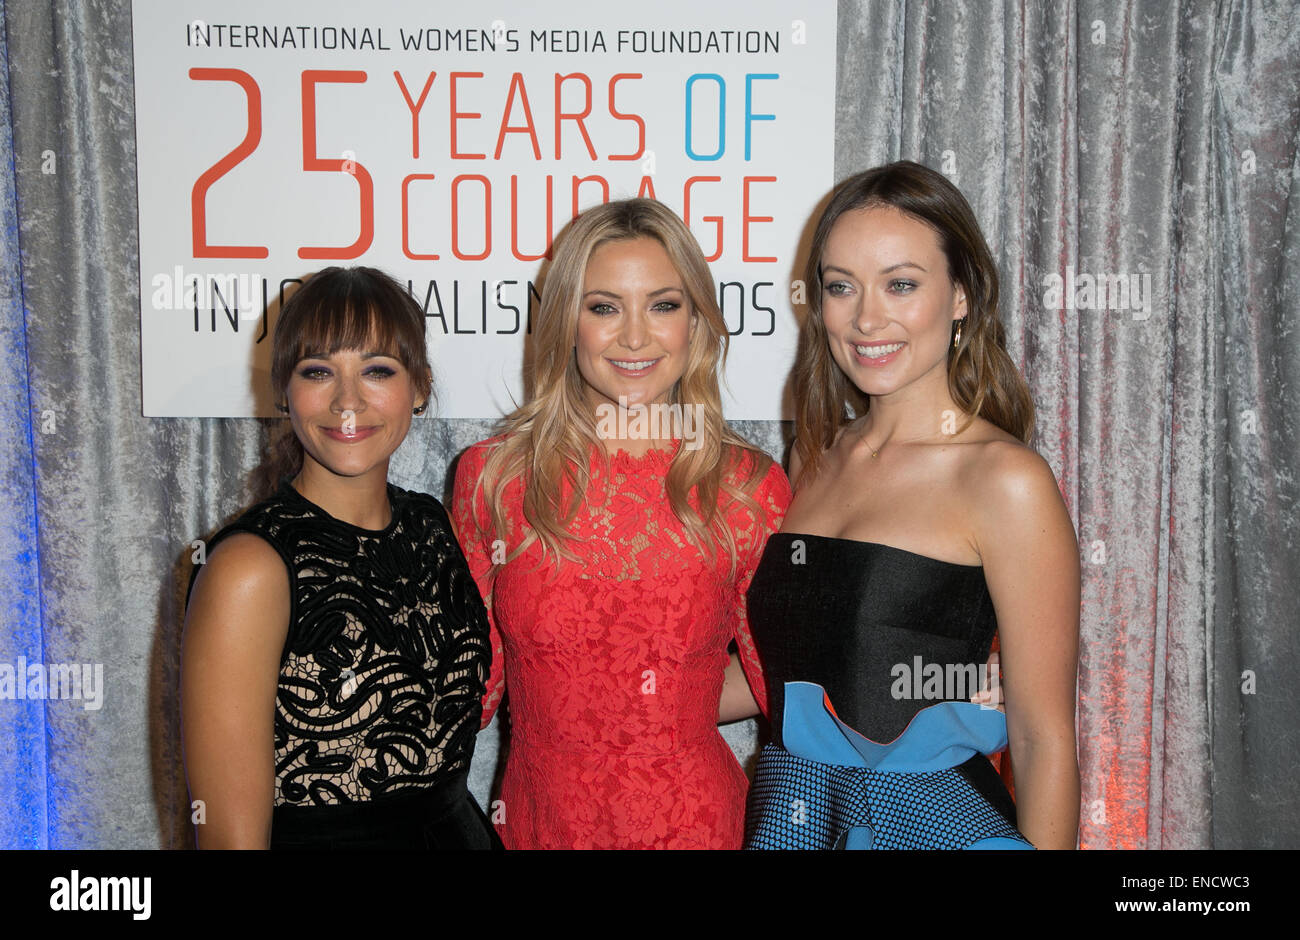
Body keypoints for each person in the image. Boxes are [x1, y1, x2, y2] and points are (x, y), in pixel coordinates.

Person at [743, 161, 1080, 850]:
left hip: (932, 828)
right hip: (796, 820)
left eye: (901, 284)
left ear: (961, 296)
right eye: (842, 287)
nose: (867, 318)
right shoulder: (814, 457)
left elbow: (1043, 738)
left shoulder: (1005, 480)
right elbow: (785, 665)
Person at [451, 198, 790, 849]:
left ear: (696, 321)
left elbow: (785, 677)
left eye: (663, 304)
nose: (634, 336)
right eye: (604, 306)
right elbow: (472, 690)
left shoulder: (747, 487)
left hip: (694, 826)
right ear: (565, 323)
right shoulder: (493, 477)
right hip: (539, 826)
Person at [181, 266, 500, 850]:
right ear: (284, 390)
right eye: (318, 371)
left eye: (377, 370)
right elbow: (230, 840)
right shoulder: (247, 569)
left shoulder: (432, 525)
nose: (347, 400)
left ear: (420, 386)